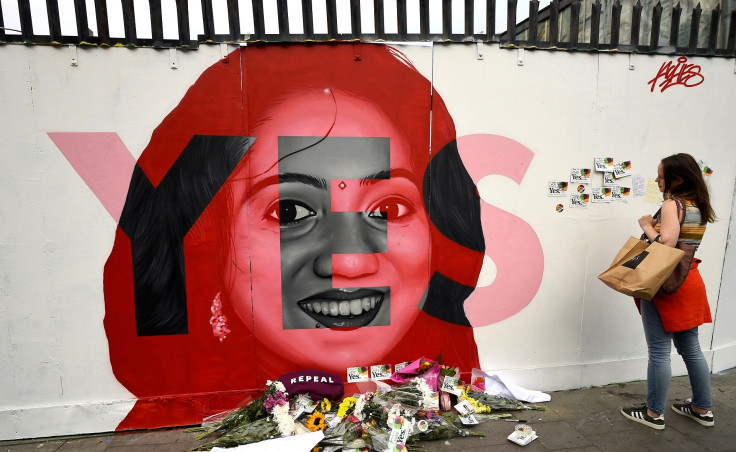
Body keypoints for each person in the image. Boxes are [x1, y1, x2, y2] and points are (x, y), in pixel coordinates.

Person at [103, 43, 486, 429]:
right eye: (289, 212)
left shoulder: (447, 394)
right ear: (207, 243)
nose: (350, 262)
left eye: (387, 209)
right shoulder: (184, 423)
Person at [621, 153, 716, 430]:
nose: (656, 180)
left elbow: (666, 243)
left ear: (677, 178)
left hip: (664, 284)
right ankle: (702, 407)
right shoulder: (698, 204)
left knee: (660, 352)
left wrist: (647, 226)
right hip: (690, 281)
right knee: (692, 350)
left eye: (661, 176)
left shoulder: (672, 204)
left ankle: (653, 414)